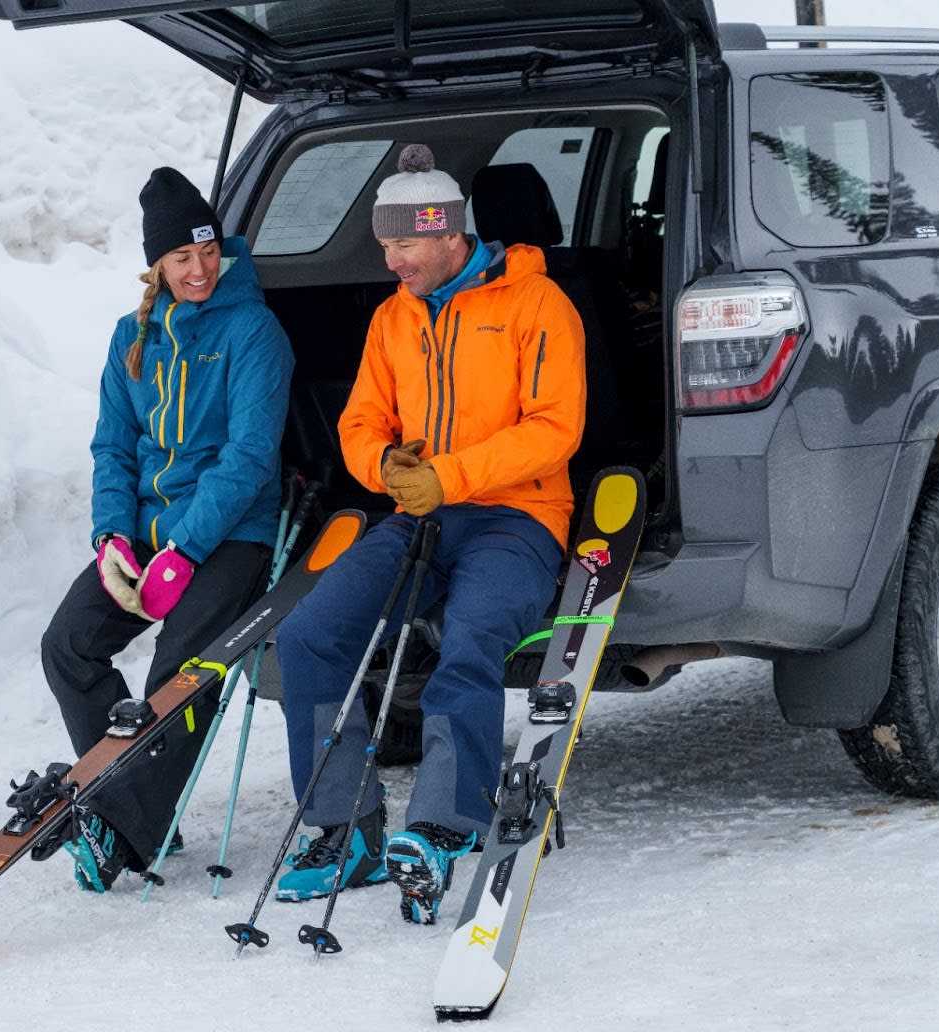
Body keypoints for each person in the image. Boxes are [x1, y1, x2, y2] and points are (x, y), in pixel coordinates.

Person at [273, 144, 586, 924]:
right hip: (419, 517)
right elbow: (359, 421)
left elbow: (556, 430)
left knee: (471, 638)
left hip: (518, 519)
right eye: (387, 244)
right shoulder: (393, 319)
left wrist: (451, 475)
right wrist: (384, 462)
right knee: (309, 636)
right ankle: (347, 829)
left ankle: (446, 824)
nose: (392, 260)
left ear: (451, 235)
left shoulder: (537, 304)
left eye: (406, 244)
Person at [39, 167, 294, 893]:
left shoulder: (253, 331)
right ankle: (135, 797)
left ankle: (122, 828)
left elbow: (248, 458)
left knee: (178, 675)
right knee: (69, 645)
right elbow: (113, 448)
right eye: (181, 257)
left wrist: (184, 548)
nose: (200, 268)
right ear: (156, 264)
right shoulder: (133, 337)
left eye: (208, 251)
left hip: (229, 533)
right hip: (148, 534)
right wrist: (113, 539)